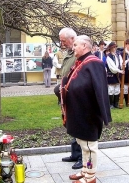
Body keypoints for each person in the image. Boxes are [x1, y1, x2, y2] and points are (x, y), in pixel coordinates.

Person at [61, 35, 111, 183]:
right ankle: (85, 170)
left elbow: (98, 89)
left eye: (76, 45)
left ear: (85, 46)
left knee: (89, 146)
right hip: (79, 111)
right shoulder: (81, 62)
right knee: (83, 145)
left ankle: (90, 177)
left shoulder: (94, 63)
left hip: (88, 113)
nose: (73, 47)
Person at [53, 27, 83, 170]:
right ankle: (75, 154)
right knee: (71, 124)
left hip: (77, 96)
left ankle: (83, 157)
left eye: (63, 40)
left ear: (72, 39)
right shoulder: (70, 52)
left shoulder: (81, 53)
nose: (62, 43)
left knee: (81, 126)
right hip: (68, 94)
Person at [105, 42, 123, 109]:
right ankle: (111, 104)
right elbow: (112, 68)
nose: (115, 48)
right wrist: (119, 71)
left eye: (115, 47)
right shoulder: (108, 57)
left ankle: (116, 103)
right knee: (111, 89)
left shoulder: (117, 55)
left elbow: (120, 64)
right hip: (111, 75)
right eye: (114, 47)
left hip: (117, 75)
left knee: (117, 89)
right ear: (111, 48)